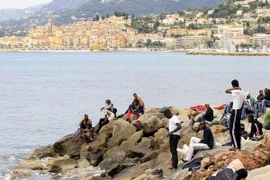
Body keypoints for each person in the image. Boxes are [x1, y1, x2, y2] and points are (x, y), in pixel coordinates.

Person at [225, 79, 245, 151]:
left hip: (236, 110)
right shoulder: (242, 91)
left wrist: (233, 88)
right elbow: (243, 102)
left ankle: (236, 147)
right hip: (239, 110)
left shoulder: (237, 91)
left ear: (233, 85)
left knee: (232, 130)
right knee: (237, 129)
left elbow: (226, 91)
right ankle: (238, 146)